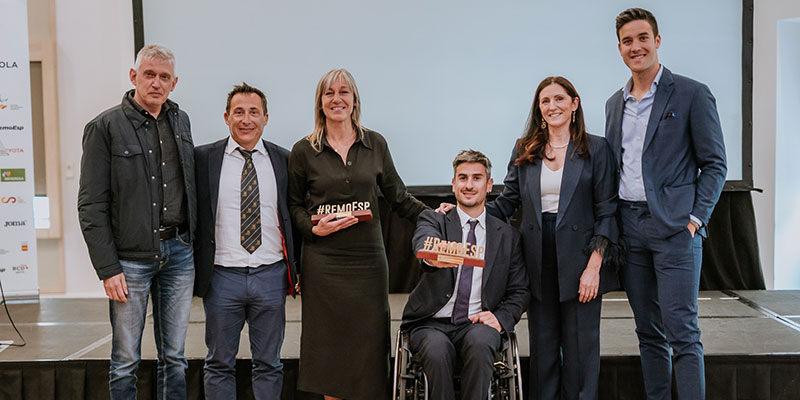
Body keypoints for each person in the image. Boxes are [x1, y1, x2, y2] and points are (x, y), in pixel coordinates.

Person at [467, 76, 620, 399]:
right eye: (545, 101)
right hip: (536, 257)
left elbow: (607, 212)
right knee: (544, 350)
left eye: (559, 99)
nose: (553, 106)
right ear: (539, 109)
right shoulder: (526, 149)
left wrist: (594, 267)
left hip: (581, 260)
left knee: (581, 353)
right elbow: (507, 203)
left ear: (574, 104)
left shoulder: (597, 148)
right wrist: (463, 214)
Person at [605, 8, 727, 399]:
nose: (635, 47)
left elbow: (715, 164)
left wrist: (695, 219)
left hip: (676, 229)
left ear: (657, 41)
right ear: (620, 48)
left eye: (643, 38)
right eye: (627, 41)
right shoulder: (614, 103)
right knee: (648, 332)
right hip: (631, 229)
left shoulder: (692, 93)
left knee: (683, 332)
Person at [288, 68, 428, 400]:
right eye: (329, 93)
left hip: (367, 263)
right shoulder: (303, 151)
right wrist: (312, 226)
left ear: (354, 100)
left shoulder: (375, 143)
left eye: (344, 92)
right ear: (320, 103)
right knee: (330, 352)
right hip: (324, 265)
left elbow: (398, 198)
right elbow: (293, 206)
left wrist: (438, 216)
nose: (337, 99)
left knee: (368, 348)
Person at [78, 44, 196, 399]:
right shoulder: (104, 127)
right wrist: (107, 268)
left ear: (174, 83)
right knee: (126, 358)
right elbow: (91, 205)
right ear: (134, 77)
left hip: (179, 253)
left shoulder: (181, 121)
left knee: (175, 357)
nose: (156, 83)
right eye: (149, 75)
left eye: (164, 77)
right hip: (129, 262)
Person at [193, 83, 300, 399]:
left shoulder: (285, 160)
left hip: (271, 275)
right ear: (226, 117)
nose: (246, 119)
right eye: (238, 112)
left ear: (266, 118)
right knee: (218, 364)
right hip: (222, 277)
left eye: (254, 112)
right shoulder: (203, 159)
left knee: (269, 364)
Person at [402, 150, 529, 400]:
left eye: (476, 178)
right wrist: (434, 255)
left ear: (489, 185)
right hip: (431, 322)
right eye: (462, 178)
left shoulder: (508, 236)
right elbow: (425, 245)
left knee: (482, 344)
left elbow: (520, 290)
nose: (469, 185)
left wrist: (501, 318)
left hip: (477, 322)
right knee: (437, 351)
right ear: (453, 183)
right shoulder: (434, 220)